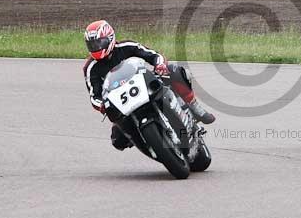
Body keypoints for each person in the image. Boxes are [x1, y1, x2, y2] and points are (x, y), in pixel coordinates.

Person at [83, 20, 215, 151]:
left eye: (99, 42)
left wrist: (160, 64)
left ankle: (195, 108)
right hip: (122, 103)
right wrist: (101, 105)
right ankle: (146, 142)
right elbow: (94, 96)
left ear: (110, 38)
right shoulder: (90, 68)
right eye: (92, 44)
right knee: (117, 140)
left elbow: (154, 55)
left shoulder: (127, 46)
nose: (96, 47)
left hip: (144, 84)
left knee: (173, 70)